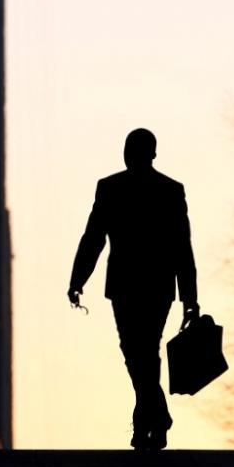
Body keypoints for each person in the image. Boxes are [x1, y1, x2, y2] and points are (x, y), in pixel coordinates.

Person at [67, 128, 199, 450]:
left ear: (145, 153)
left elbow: (182, 247)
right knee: (137, 351)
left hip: (139, 285)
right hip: (144, 285)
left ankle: (146, 422)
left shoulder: (134, 189)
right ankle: (157, 416)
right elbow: (94, 238)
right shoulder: (142, 189)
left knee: (140, 350)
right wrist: (77, 279)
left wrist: (190, 299)